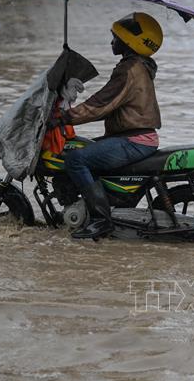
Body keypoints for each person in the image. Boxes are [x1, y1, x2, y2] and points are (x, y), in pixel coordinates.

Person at [51, 12, 163, 239]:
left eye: (115, 38)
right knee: (79, 148)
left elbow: (102, 103)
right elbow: (110, 106)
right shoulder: (139, 67)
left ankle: (102, 220)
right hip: (136, 137)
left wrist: (64, 117)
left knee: (75, 159)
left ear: (129, 42)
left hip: (133, 141)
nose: (111, 42)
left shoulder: (128, 70)